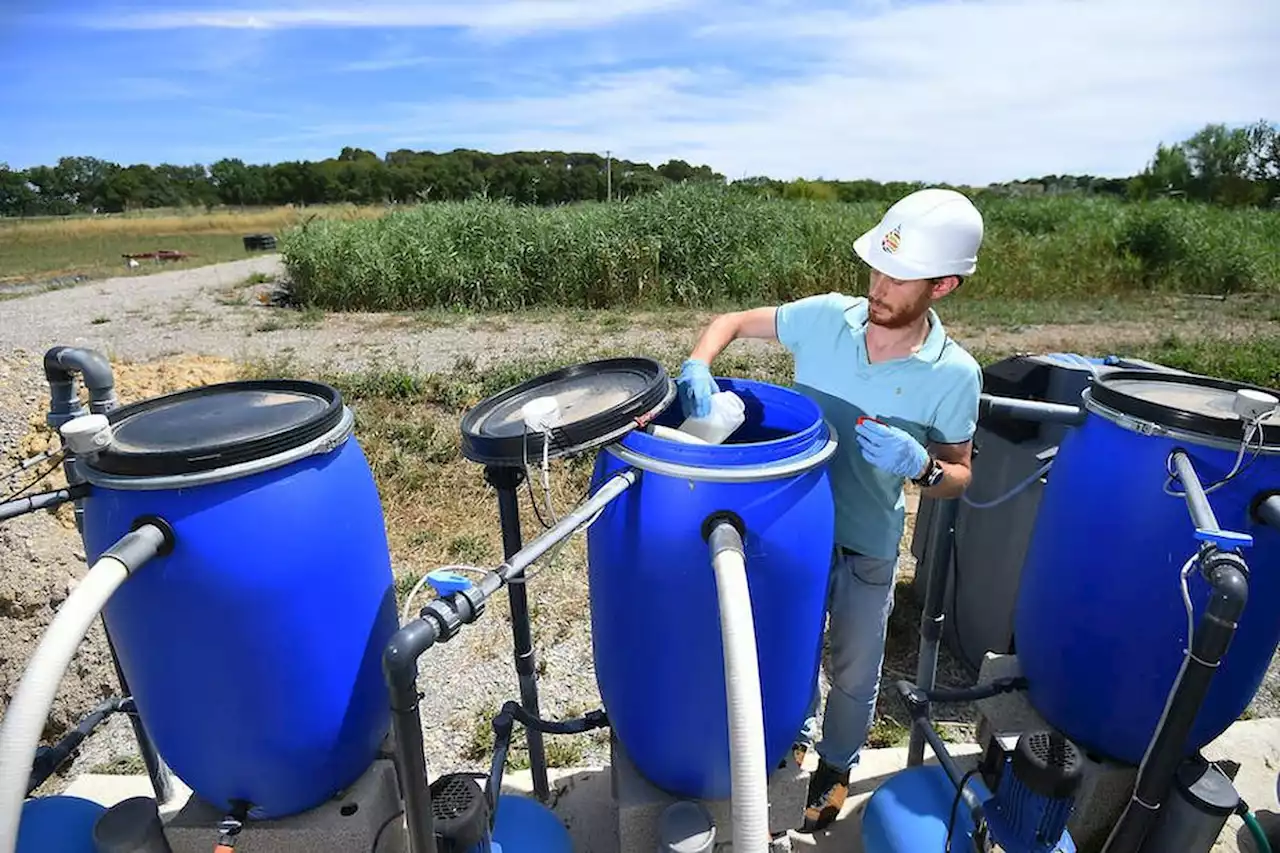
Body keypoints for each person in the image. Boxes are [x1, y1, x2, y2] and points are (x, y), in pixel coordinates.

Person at [675, 187, 985, 833]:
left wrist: (922, 465)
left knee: (854, 667)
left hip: (869, 539)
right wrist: (700, 361)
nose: (879, 286)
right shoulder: (825, 318)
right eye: (877, 267)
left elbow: (959, 473)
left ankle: (836, 762)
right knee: (783, 644)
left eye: (900, 278)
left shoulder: (955, 374)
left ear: (944, 285)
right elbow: (731, 321)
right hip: (792, 527)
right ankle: (791, 733)